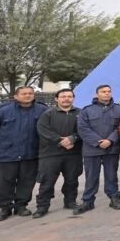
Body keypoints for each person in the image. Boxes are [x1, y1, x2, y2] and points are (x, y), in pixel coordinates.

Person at [0, 86, 49, 222]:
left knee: (27, 181)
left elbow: (47, 128)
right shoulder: (3, 110)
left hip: (31, 153)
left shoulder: (42, 110)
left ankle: (21, 205)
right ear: (16, 96)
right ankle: (5, 208)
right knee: (4, 182)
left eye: (30, 93)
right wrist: (6, 140)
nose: (27, 95)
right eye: (24, 93)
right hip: (7, 153)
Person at [74, 85, 120, 214]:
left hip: (111, 149)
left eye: (109, 91)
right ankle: (88, 201)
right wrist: (98, 142)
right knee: (91, 177)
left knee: (111, 175)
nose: (106, 94)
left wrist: (110, 140)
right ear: (97, 94)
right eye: (103, 92)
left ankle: (114, 198)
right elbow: (83, 129)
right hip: (92, 149)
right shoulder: (87, 110)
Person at [33, 88, 83, 218]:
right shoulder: (47, 114)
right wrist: (61, 141)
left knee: (72, 180)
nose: (66, 99)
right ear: (56, 99)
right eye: (63, 96)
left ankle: (70, 201)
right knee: (47, 181)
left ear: (73, 98)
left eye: (69, 96)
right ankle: (42, 206)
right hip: (50, 154)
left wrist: (72, 138)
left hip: (73, 153)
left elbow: (84, 130)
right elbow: (43, 131)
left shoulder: (80, 113)